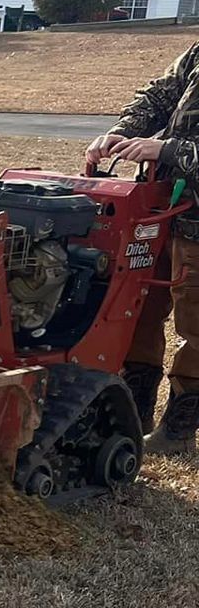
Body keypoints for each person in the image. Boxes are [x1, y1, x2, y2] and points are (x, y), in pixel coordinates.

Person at [85, 41, 199, 449]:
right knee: (136, 307)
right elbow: (157, 95)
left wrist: (168, 148)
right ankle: (132, 410)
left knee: (196, 323)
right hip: (159, 207)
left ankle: (178, 429)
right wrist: (121, 132)